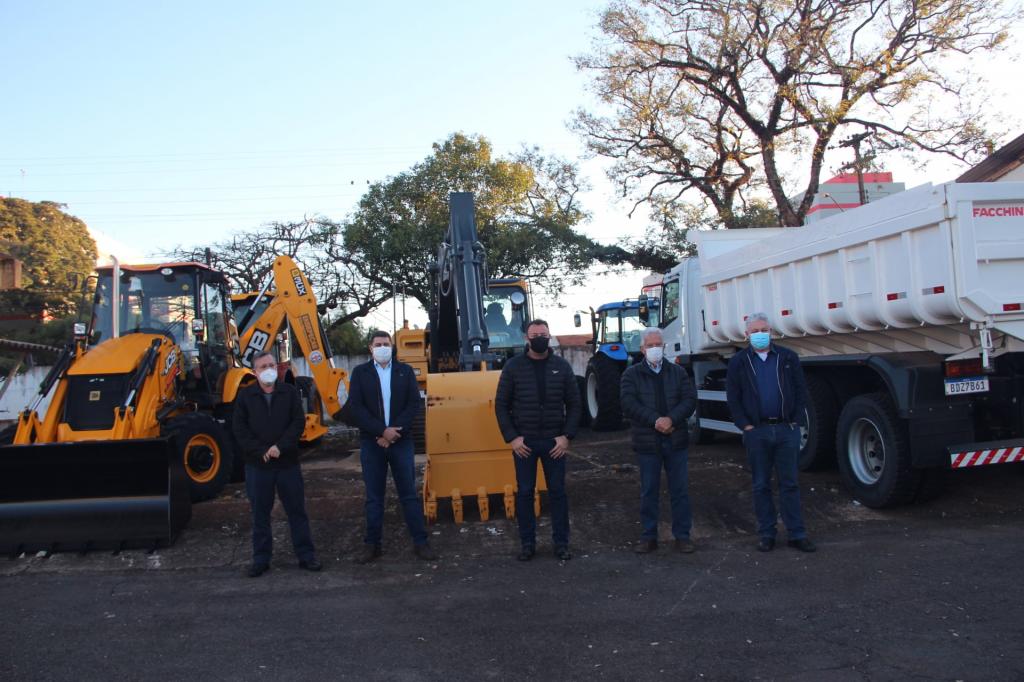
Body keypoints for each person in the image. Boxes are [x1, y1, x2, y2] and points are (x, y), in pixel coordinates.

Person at [726, 313, 817, 553]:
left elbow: (800, 390)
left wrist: (796, 420)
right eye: (755, 331)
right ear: (746, 334)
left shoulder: (787, 357)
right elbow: (733, 397)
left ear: (771, 332)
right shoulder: (739, 362)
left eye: (764, 330)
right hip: (758, 431)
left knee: (790, 484)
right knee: (761, 485)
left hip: (786, 430)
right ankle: (767, 534)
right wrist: (745, 425)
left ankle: (797, 534)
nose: (760, 334)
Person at [346, 330, 437, 563]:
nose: (382, 348)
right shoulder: (360, 373)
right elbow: (356, 408)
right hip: (372, 443)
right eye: (378, 344)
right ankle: (372, 545)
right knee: (374, 498)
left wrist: (393, 433)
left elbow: (413, 404)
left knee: (409, 495)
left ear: (392, 346)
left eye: (386, 344)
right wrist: (381, 431)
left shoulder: (404, 371)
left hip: (400, 442)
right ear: (370, 348)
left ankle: (421, 542)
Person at [494, 319, 581, 561]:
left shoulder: (562, 367)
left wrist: (566, 436)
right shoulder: (513, 367)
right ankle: (527, 544)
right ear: (526, 338)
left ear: (549, 336)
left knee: (558, 493)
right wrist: (512, 438)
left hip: (555, 443)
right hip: (525, 444)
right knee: (524, 493)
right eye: (535, 335)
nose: (539, 338)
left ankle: (561, 544)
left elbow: (575, 404)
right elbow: (501, 405)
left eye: (543, 334)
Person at [232, 351, 321, 577]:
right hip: (258, 466)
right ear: (255, 372)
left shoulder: (289, 392)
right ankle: (261, 559)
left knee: (297, 512)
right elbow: (240, 429)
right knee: (260, 515)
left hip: (287, 463)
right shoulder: (245, 397)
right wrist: (260, 450)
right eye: (263, 366)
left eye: (272, 365)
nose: (269, 369)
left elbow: (297, 423)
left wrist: (280, 447)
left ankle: (306, 556)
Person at [620, 327, 698, 554]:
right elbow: (628, 404)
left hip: (676, 440)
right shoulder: (631, 375)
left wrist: (671, 419)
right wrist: (656, 421)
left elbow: (689, 399)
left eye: (658, 345)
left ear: (664, 347)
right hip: (647, 442)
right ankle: (649, 537)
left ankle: (682, 537)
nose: (655, 349)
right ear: (642, 349)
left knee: (680, 491)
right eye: (650, 345)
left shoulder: (678, 372)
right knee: (649, 491)